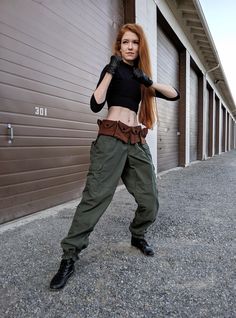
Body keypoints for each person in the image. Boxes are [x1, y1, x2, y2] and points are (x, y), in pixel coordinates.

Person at [50, 23, 179, 290]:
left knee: (150, 199)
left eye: (134, 42)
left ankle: (138, 234)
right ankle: (69, 258)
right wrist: (110, 70)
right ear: (118, 46)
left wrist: (148, 81)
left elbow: (174, 95)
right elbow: (95, 102)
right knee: (95, 199)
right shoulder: (113, 70)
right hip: (110, 140)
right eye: (125, 42)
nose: (130, 47)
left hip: (136, 141)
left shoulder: (142, 77)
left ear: (139, 46)